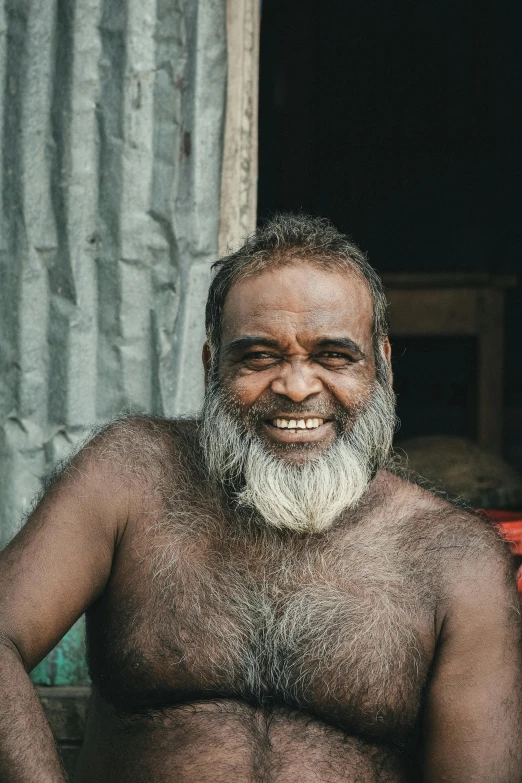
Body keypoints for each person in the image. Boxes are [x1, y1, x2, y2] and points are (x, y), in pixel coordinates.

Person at [0, 214, 521, 783]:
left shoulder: (456, 559)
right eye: (259, 357)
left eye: (333, 356)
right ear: (211, 368)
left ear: (383, 368)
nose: (297, 387)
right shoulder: (130, 475)